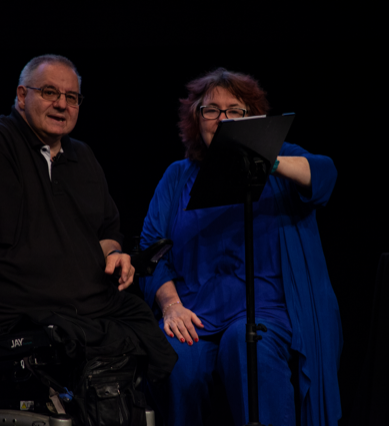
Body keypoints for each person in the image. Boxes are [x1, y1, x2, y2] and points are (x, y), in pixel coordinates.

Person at [0, 54, 177, 383]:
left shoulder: (82, 156)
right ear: (21, 96)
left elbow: (106, 230)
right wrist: (84, 287)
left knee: (140, 319)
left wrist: (114, 254)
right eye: (49, 92)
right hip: (9, 301)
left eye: (72, 97)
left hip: (78, 298)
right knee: (100, 335)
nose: (61, 104)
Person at [139, 68, 342, 426]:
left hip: (265, 309)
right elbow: (151, 252)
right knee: (175, 360)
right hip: (195, 313)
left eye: (235, 111)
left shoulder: (280, 160)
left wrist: (266, 159)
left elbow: (325, 174)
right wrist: (171, 306)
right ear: (196, 118)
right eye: (211, 110)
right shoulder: (177, 176)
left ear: (253, 118)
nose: (223, 119)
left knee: (246, 346)